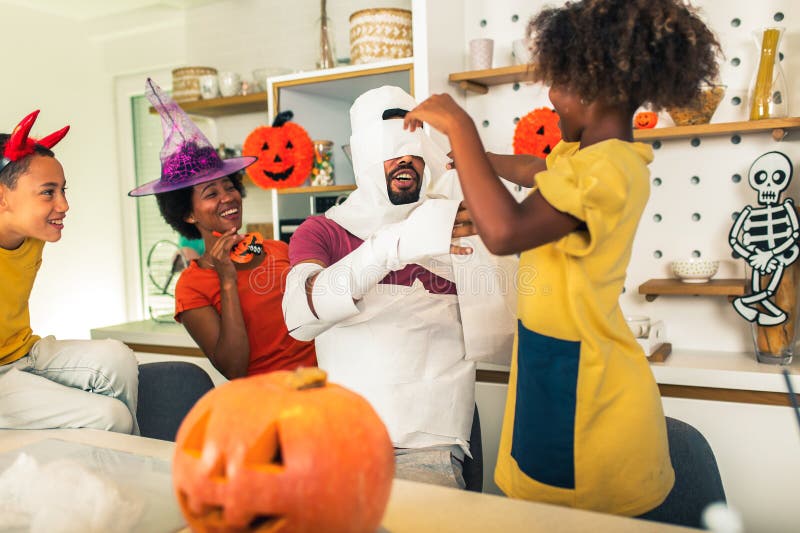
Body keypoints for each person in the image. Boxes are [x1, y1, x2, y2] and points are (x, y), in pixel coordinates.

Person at [403, 0, 721, 516]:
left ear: (596, 87)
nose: (550, 96)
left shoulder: (609, 171)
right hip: (558, 368)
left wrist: (461, 126)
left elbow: (506, 232)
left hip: (590, 395)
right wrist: (458, 156)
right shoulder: (592, 157)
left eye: (560, 81)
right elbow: (533, 166)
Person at [282, 85, 515, 489]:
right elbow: (300, 317)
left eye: (414, 143)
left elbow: (504, 333)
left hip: (431, 449)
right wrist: (393, 245)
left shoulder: (456, 224)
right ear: (364, 155)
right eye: (389, 146)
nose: (405, 157)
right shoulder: (324, 230)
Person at [129, 79, 316, 380]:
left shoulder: (279, 250)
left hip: (327, 385)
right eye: (211, 193)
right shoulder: (192, 286)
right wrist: (227, 279)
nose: (228, 197)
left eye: (229, 187)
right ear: (188, 213)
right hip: (266, 402)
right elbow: (233, 368)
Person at [0, 111, 139, 434]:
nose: (63, 205)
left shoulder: (31, 235)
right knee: (110, 417)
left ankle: (128, 465)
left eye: (63, 190)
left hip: (22, 351)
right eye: (48, 192)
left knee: (116, 358)